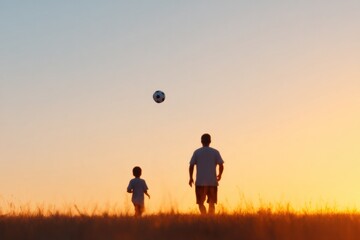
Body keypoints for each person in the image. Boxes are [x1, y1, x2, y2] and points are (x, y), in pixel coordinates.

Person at [189, 133, 224, 215]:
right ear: (210, 141)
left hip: (200, 182)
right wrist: (220, 174)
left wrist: (190, 177)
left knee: (200, 203)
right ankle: (210, 219)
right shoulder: (215, 152)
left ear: (201, 141)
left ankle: (204, 217)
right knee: (212, 203)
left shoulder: (197, 152)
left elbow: (191, 165)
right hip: (212, 182)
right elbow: (221, 165)